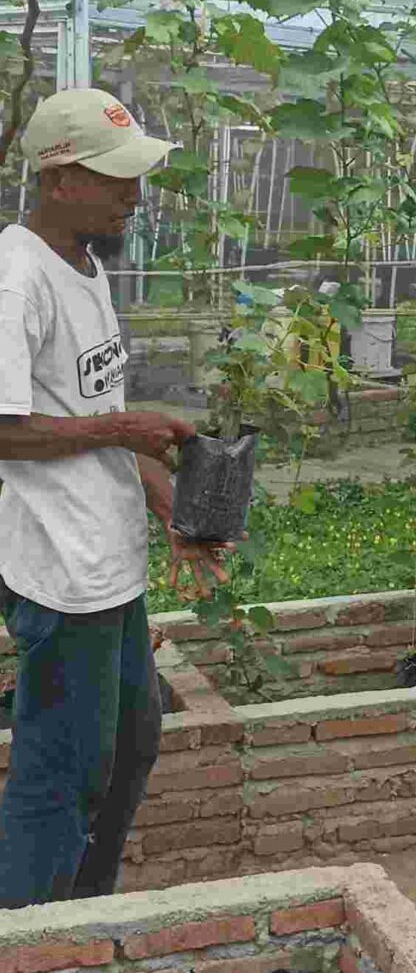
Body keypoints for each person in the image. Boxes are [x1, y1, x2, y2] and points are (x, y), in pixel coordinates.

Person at [0, 88, 237, 908]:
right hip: (61, 566)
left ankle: (83, 912)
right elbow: (8, 428)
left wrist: (171, 505)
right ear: (60, 177)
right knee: (60, 772)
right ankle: (29, 931)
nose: (134, 195)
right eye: (116, 178)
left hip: (108, 556)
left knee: (131, 744)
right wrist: (126, 425)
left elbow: (89, 415)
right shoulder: (16, 278)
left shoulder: (85, 265)